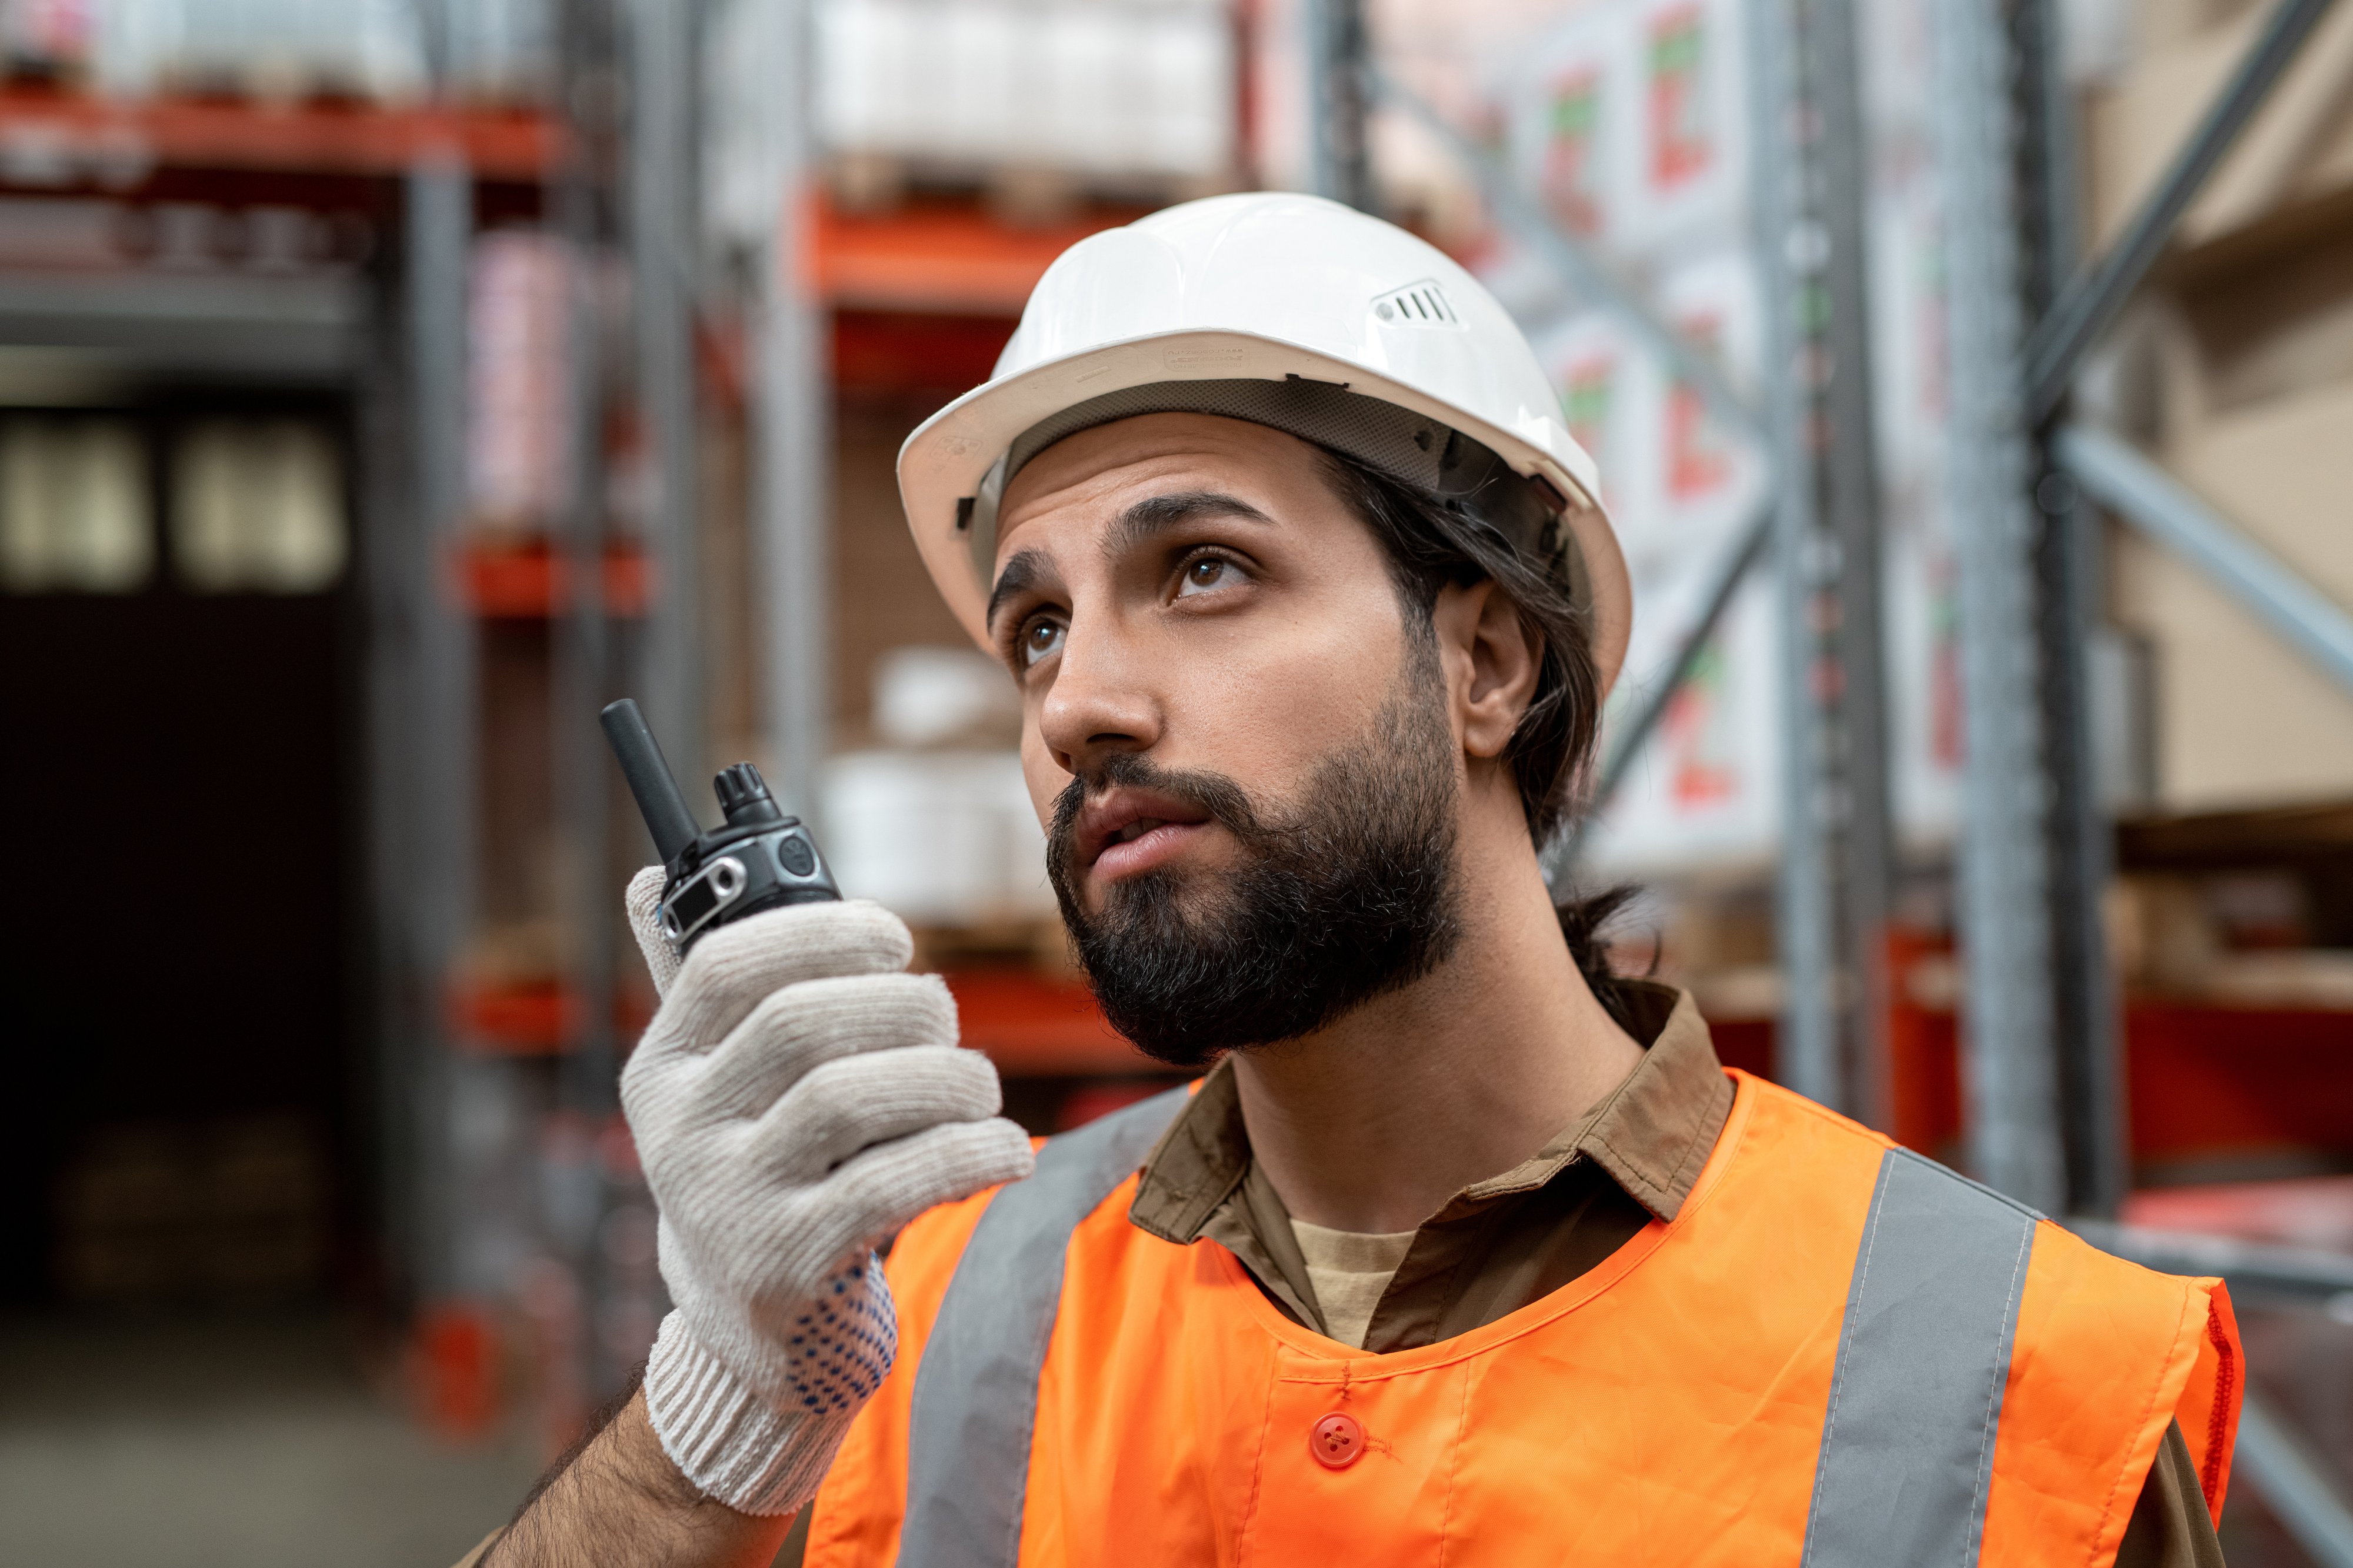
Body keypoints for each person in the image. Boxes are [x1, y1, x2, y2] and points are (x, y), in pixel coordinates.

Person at [474, 194, 2238, 1567]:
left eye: (1208, 570)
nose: (1079, 699)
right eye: (1036, 625)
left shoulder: (2015, 1385)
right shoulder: (924, 1326)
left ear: (1487, 663)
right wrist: (713, 1417)